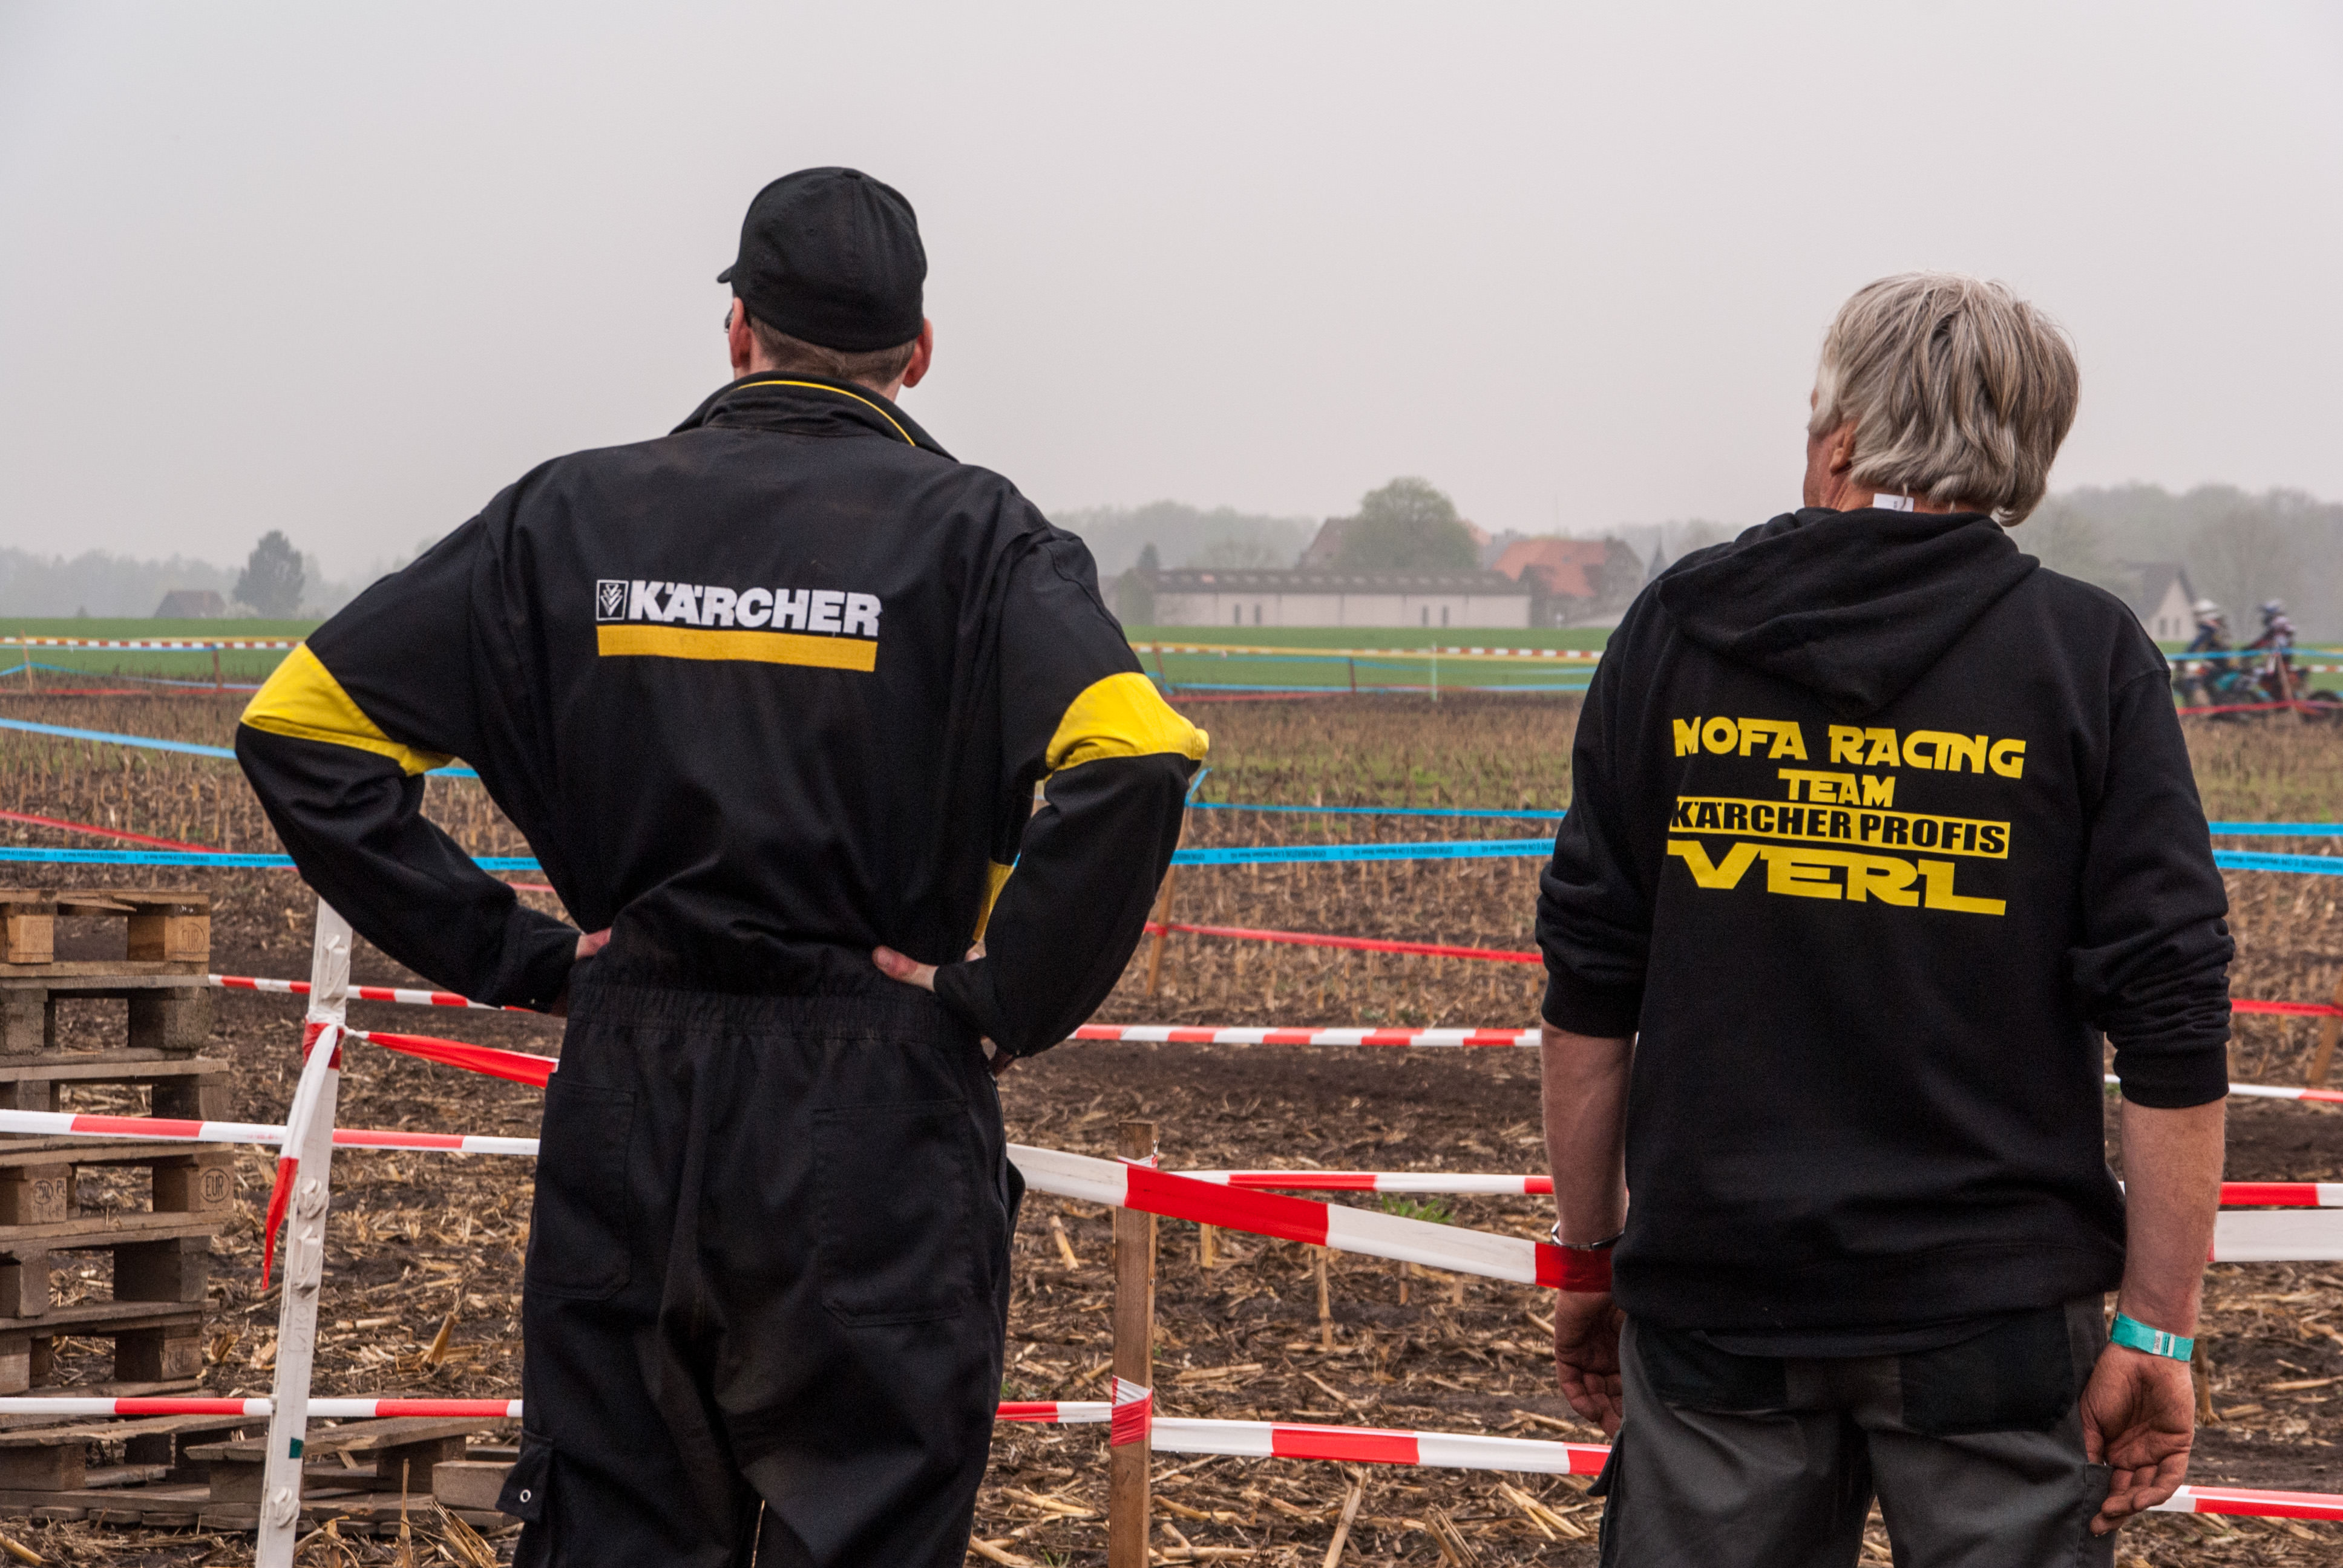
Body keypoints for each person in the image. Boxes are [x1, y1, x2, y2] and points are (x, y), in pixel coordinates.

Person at [236, 167, 1207, 1567]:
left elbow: (298, 727)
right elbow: (1134, 754)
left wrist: (518, 958)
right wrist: (1003, 1000)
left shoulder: (563, 520)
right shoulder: (979, 538)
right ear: (919, 352)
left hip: (631, 1096)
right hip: (881, 1114)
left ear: (739, 328)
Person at [1535, 273, 2231, 1566]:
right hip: (1992, 1317)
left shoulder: (1677, 634)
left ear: (1843, 438)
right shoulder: (2083, 657)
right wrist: (2156, 1329)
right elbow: (2172, 1021)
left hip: (1719, 1304)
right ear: (2023, 459)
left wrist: (1588, 1258)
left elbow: (1589, 985)